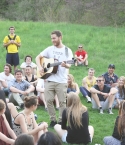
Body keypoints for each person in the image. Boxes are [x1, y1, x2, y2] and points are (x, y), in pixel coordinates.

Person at [36, 30, 73, 127]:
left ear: (60, 37)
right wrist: (40, 68)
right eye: (51, 38)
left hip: (61, 80)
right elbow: (37, 58)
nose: (52, 40)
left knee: (62, 102)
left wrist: (66, 65)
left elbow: (70, 64)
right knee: (48, 101)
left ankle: (61, 120)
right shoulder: (49, 49)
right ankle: (53, 120)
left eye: (54, 38)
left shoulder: (67, 50)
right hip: (49, 79)